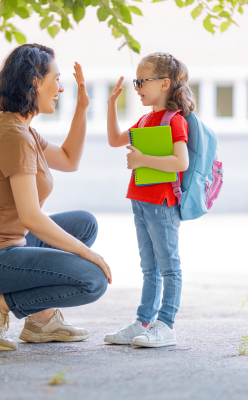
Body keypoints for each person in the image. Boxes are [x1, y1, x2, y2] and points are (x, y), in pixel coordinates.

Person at [0, 44, 111, 352]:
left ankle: (41, 322)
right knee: (92, 280)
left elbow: (69, 159)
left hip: (11, 246)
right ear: (35, 81)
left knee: (84, 224)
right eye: (56, 78)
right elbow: (30, 216)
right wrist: (87, 254)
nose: (61, 87)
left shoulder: (22, 129)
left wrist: (82, 109)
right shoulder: (14, 135)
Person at [104, 52, 195, 347]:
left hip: (162, 204)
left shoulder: (174, 120)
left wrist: (143, 158)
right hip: (141, 201)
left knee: (169, 266)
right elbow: (115, 140)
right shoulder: (145, 119)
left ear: (165, 83)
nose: (137, 87)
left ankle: (165, 325)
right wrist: (110, 106)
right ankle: (144, 322)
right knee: (149, 267)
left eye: (142, 81)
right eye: (136, 81)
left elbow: (179, 163)